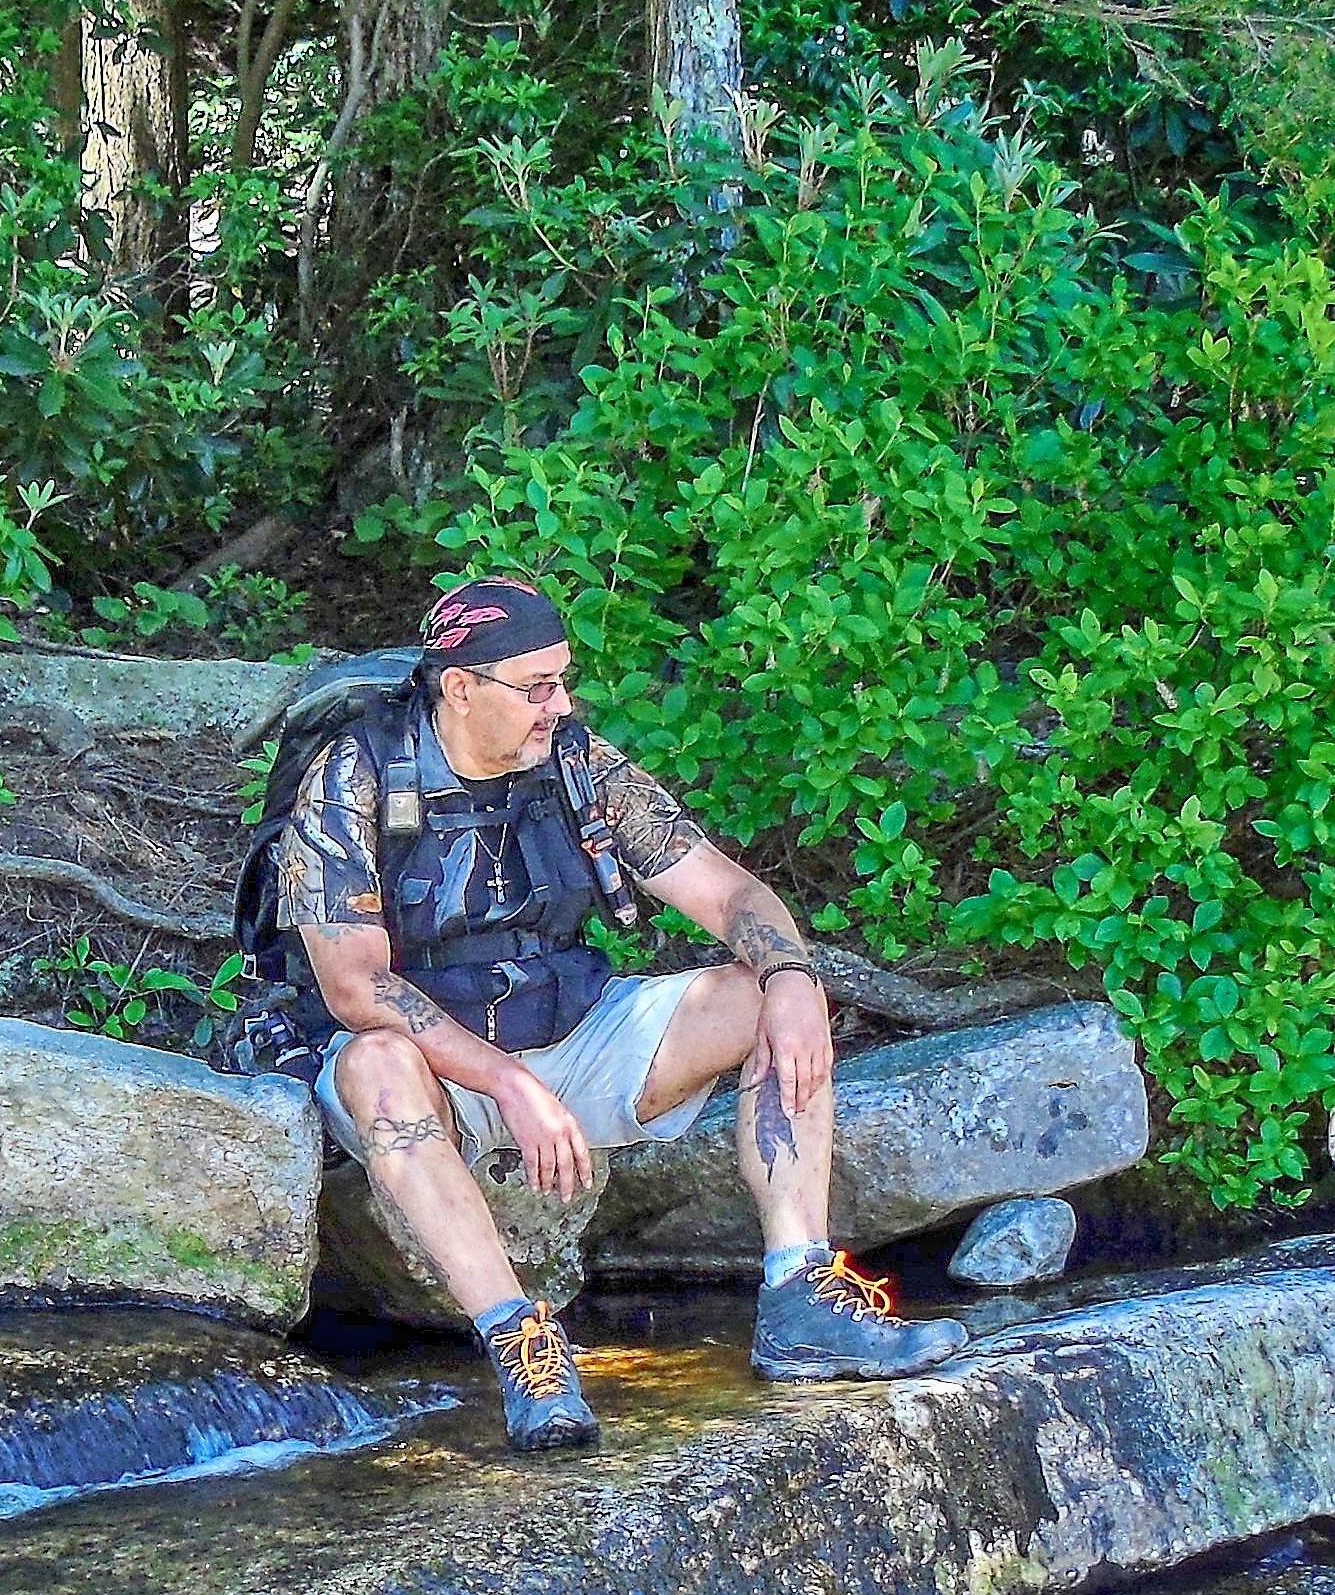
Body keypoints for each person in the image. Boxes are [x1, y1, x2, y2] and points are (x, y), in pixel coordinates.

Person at [241, 573, 964, 1450]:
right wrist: (509, 1084)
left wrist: (793, 979)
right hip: (435, 1069)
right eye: (538, 686)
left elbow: (729, 891)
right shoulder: (354, 776)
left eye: (564, 679)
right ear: (460, 687)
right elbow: (356, 987)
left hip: (573, 1025)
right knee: (373, 1063)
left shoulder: (579, 763)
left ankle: (800, 1292)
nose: (561, 702)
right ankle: (521, 1342)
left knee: (753, 998)